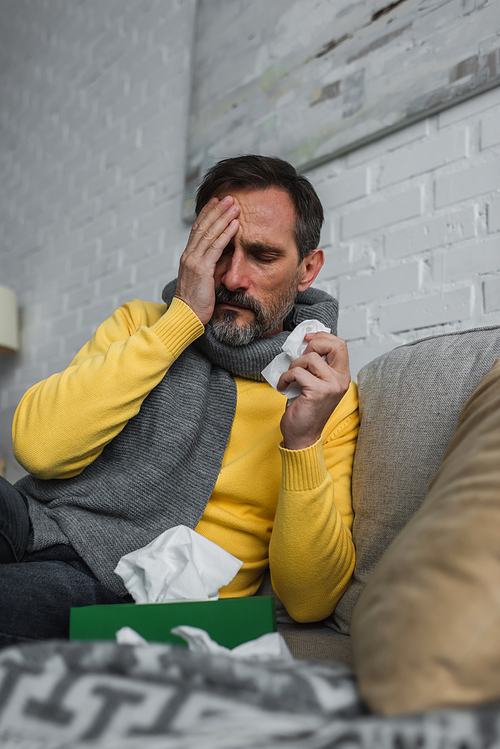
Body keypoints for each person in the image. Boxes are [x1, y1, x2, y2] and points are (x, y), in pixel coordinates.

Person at [0, 155, 359, 647]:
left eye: (262, 255)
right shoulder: (142, 323)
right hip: (39, 518)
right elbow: (39, 449)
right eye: (218, 250)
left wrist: (301, 442)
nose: (233, 277)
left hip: (134, 589)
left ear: (307, 269)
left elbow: (310, 599)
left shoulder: (326, 393)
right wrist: (181, 320)